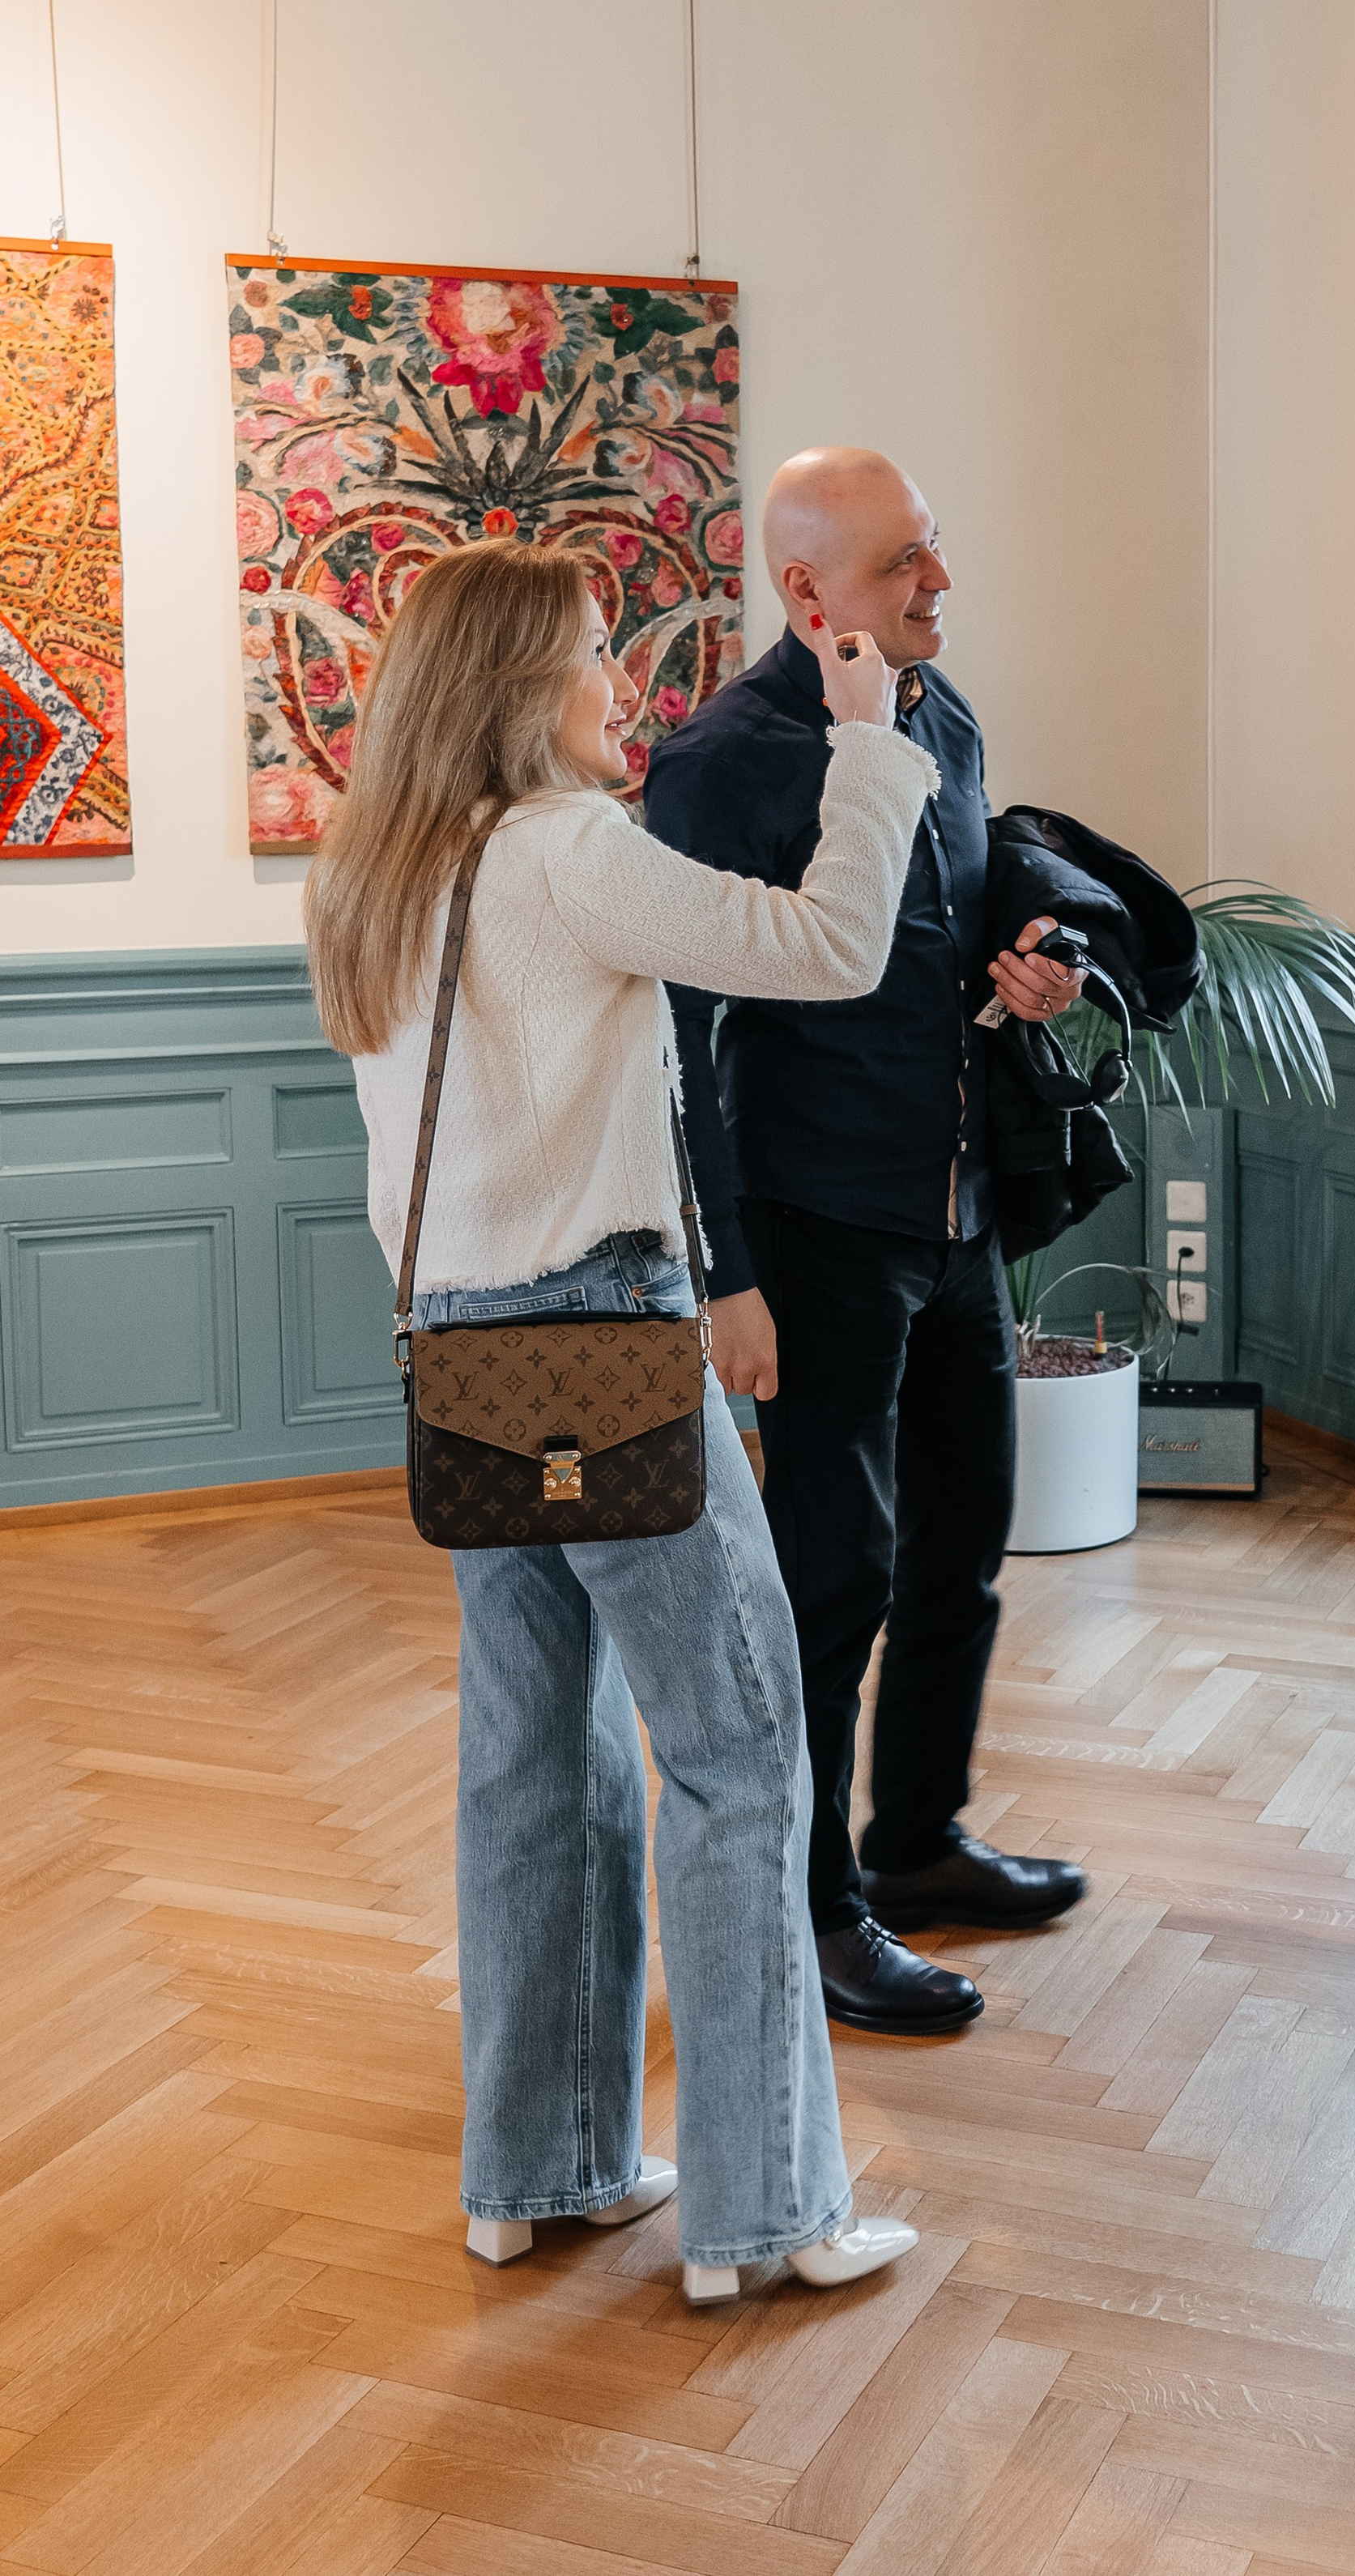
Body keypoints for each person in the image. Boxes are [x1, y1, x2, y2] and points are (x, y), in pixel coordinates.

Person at [305, 537, 940, 2303]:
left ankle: (542, 2167)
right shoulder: (562, 857)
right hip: (605, 1352)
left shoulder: (374, 873)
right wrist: (871, 746)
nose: (623, 690)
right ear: (518, 689)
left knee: (531, 1767)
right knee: (740, 1758)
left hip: (459, 1361)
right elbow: (825, 946)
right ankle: (766, 2216)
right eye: (593, 657)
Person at [644, 449, 1089, 2039]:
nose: (938, 584)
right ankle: (810, 1905)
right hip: (814, 1232)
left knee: (962, 1543)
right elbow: (679, 1032)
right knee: (833, 1581)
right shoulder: (718, 764)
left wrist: (1027, 954)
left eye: (936, 553)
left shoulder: (941, 718)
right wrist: (723, 1274)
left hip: (956, 1211)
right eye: (904, 564)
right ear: (806, 591)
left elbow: (947, 925)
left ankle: (913, 1846)